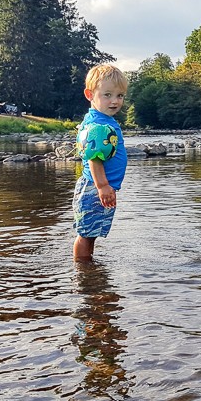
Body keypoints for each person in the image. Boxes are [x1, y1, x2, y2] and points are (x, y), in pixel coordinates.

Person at [73, 64, 129, 262]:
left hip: (97, 187)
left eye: (120, 95)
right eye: (107, 95)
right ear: (90, 95)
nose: (115, 101)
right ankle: (83, 271)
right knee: (86, 233)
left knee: (91, 232)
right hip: (95, 187)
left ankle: (88, 268)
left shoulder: (101, 119)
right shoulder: (98, 125)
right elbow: (94, 159)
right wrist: (103, 186)